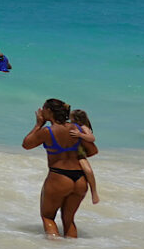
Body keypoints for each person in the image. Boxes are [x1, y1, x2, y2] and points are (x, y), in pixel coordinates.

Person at [21, 98, 94, 237]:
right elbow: (93, 151)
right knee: (68, 219)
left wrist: (38, 124)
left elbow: (26, 145)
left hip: (59, 177)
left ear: (49, 111)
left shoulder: (47, 131)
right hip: (80, 180)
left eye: (43, 109)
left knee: (48, 217)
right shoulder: (77, 129)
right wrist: (72, 154)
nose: (41, 112)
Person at [69, 109, 101, 205]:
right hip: (70, 152)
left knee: (88, 171)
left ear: (76, 119)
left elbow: (92, 138)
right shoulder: (71, 126)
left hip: (80, 154)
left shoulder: (83, 127)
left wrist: (80, 134)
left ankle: (94, 192)